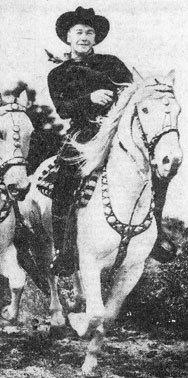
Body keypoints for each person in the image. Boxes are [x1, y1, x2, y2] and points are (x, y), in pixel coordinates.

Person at [47, 7, 174, 275]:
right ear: (68, 38)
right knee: (64, 181)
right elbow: (63, 109)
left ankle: (156, 234)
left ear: (96, 38)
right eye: (78, 32)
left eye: (89, 32)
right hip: (84, 134)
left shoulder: (112, 63)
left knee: (158, 170)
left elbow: (133, 93)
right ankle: (64, 249)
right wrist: (89, 100)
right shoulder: (58, 74)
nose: (84, 37)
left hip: (119, 131)